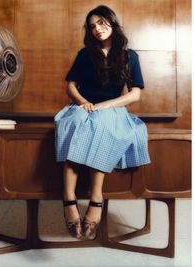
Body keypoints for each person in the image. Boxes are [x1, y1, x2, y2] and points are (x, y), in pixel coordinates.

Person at [54, 5, 150, 240]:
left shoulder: (130, 56)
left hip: (111, 109)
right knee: (73, 124)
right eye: (93, 26)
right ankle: (68, 198)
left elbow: (135, 94)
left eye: (102, 23)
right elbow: (70, 86)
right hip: (84, 106)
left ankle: (96, 197)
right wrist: (84, 102)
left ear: (113, 23)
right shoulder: (85, 54)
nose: (97, 29)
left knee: (103, 125)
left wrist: (105, 106)